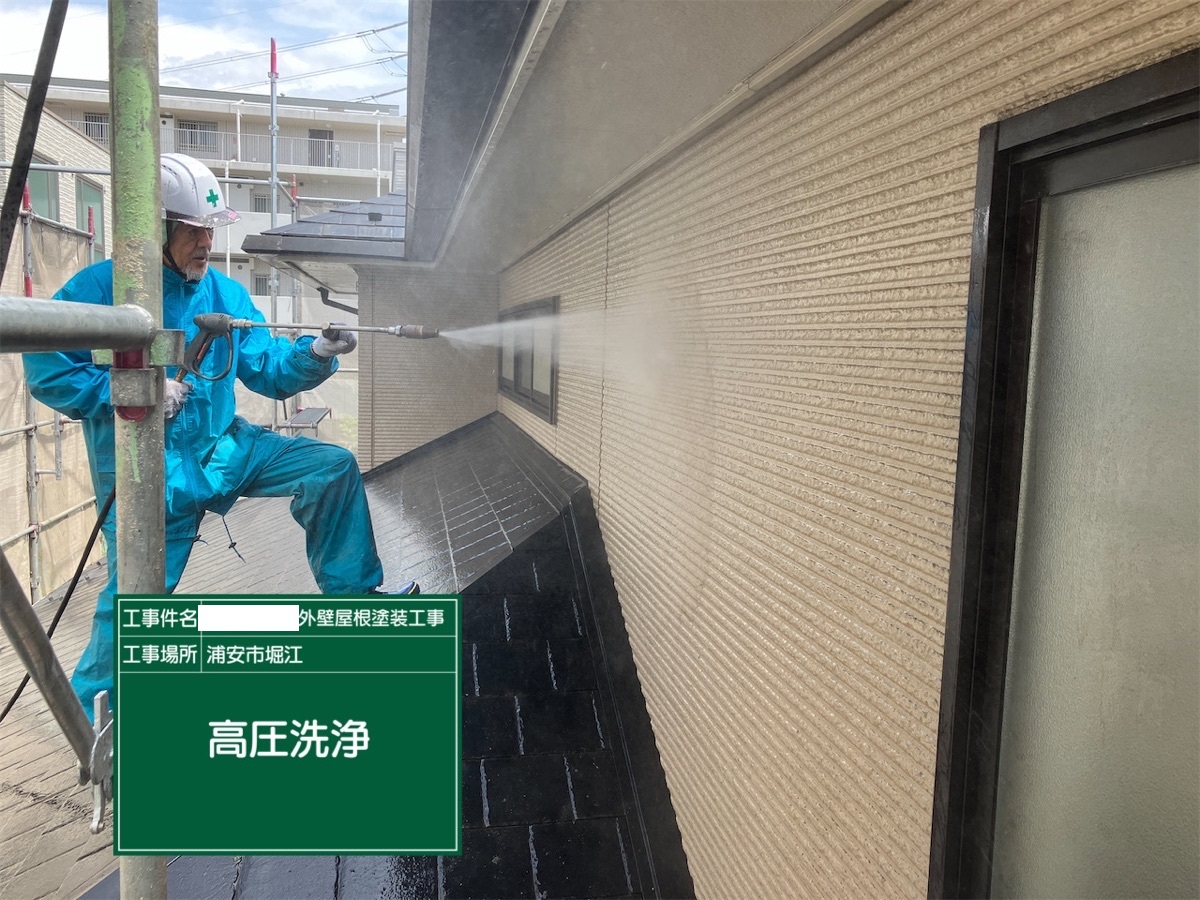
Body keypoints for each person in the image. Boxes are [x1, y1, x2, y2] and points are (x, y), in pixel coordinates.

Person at [23, 153, 415, 720]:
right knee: (131, 618)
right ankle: (94, 734)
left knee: (330, 467)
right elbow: (47, 368)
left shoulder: (225, 295)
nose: (206, 242)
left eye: (210, 229)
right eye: (192, 230)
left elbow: (269, 369)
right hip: (149, 480)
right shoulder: (100, 289)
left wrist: (315, 353)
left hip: (226, 449)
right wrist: (131, 391)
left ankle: (356, 607)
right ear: (155, 229)